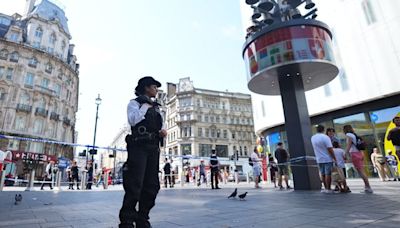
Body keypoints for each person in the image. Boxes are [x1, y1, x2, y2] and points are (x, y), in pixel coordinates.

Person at [119, 76, 167, 228]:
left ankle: (143, 217)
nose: (156, 90)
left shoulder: (157, 107)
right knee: (135, 183)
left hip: (153, 148)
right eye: (154, 87)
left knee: (152, 185)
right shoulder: (135, 103)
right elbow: (133, 120)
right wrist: (146, 106)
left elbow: (159, 125)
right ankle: (127, 220)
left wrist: (162, 132)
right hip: (138, 146)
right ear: (146, 87)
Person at [343, 125, 373, 193]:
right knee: (361, 170)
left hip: (354, 154)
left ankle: (368, 187)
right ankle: (366, 187)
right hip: (359, 153)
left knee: (361, 171)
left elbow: (349, 145)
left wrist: (345, 153)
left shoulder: (348, 135)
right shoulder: (354, 135)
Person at [311, 125, 336, 193]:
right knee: (328, 174)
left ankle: (325, 188)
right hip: (327, 158)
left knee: (322, 174)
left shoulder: (313, 137)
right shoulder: (325, 137)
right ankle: (328, 188)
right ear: (323, 130)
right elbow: (330, 148)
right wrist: (334, 157)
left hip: (319, 158)